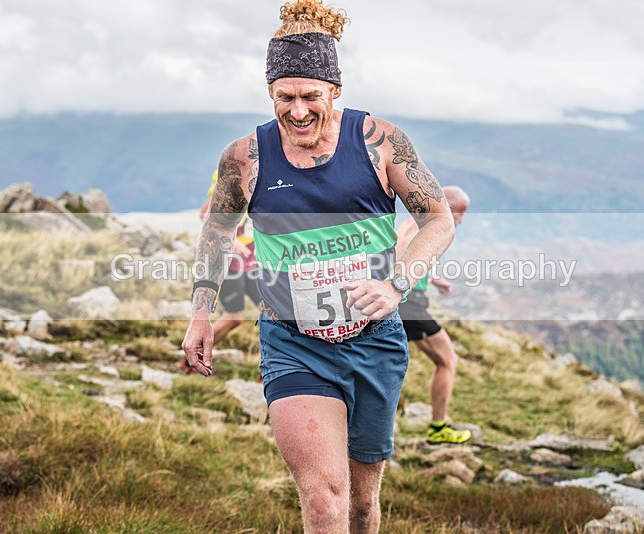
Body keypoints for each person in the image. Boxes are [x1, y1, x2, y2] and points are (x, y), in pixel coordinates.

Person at [182, 1, 455, 531]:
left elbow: (438, 218)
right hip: (294, 341)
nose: (299, 110)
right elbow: (216, 230)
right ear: (270, 95)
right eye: (286, 97)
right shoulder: (245, 157)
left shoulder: (379, 142)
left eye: (311, 96)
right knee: (325, 501)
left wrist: (398, 282)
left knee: (359, 503)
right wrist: (200, 314)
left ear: (335, 92)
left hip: (375, 341)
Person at [396, 186, 472, 444]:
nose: (460, 221)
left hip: (405, 301)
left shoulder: (413, 220)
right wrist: (403, 284)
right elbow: (402, 251)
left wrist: (434, 279)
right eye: (460, 213)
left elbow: (410, 253)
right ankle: (438, 427)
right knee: (447, 360)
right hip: (409, 304)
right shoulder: (425, 225)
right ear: (448, 206)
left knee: (386, 362)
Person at [183, 172, 261, 374]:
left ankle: (274, 368)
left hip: (254, 263)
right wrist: (233, 243)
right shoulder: (235, 170)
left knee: (274, 313)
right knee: (234, 317)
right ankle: (192, 357)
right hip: (229, 265)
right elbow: (205, 214)